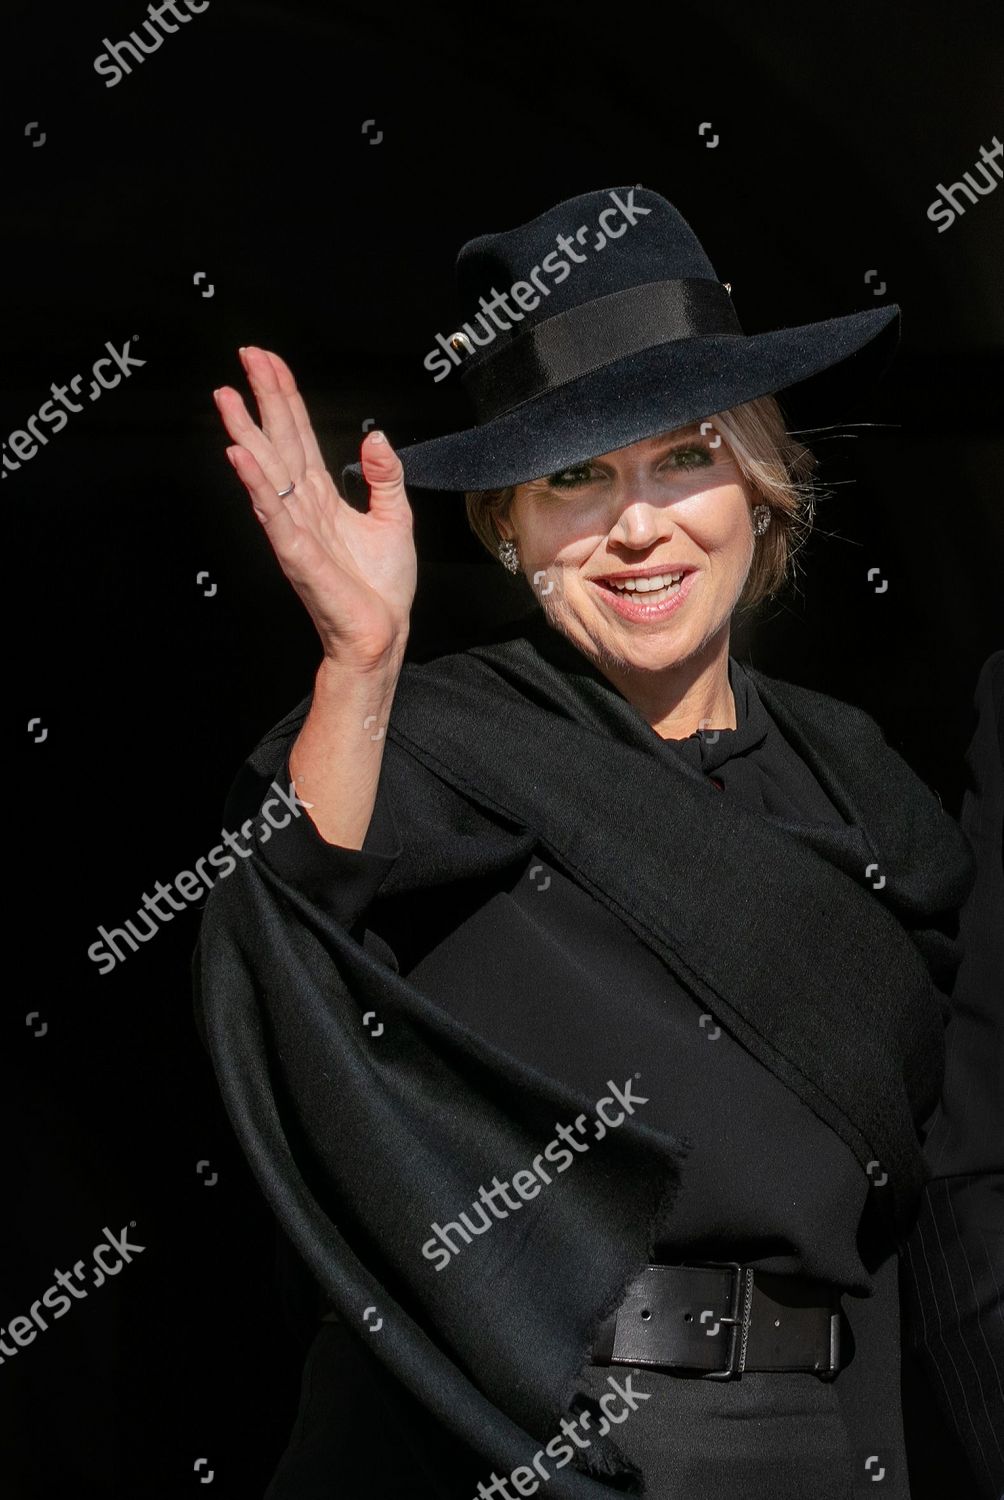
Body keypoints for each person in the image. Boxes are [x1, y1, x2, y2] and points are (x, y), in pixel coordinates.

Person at [193, 188, 980, 1499]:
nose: (637, 524)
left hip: (822, 1444)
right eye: (576, 477)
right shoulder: (423, 736)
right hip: (506, 1434)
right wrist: (361, 659)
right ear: (505, 523)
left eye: (685, 458)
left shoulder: (869, 783)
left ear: (761, 488)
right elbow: (286, 926)